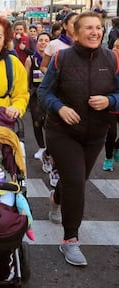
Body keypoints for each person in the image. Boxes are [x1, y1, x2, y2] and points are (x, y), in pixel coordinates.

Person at [37, 12, 119, 266]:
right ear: (76, 32)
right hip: (62, 131)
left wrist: (110, 100)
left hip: (95, 132)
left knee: (75, 181)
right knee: (76, 181)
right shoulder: (62, 57)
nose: (95, 32)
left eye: (98, 28)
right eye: (89, 28)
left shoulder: (112, 59)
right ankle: (70, 239)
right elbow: (43, 92)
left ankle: (56, 197)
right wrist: (60, 107)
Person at [39, 12, 78, 189]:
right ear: (64, 26)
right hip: (56, 94)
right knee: (57, 132)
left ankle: (52, 156)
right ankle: (54, 165)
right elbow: (43, 65)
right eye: (73, 23)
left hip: (77, 96)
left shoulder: (85, 44)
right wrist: (53, 76)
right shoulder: (54, 45)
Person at [24, 32, 51, 160]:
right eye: (41, 40)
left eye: (46, 40)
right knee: (37, 120)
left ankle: (50, 148)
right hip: (35, 93)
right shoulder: (30, 59)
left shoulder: (54, 58)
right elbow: (25, 79)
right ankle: (41, 147)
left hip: (50, 93)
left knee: (49, 122)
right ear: (37, 42)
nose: (43, 43)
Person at [102, 38, 119, 171]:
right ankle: (108, 158)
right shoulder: (108, 63)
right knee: (111, 133)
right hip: (111, 104)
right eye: (114, 46)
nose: (115, 49)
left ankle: (117, 147)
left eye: (118, 47)